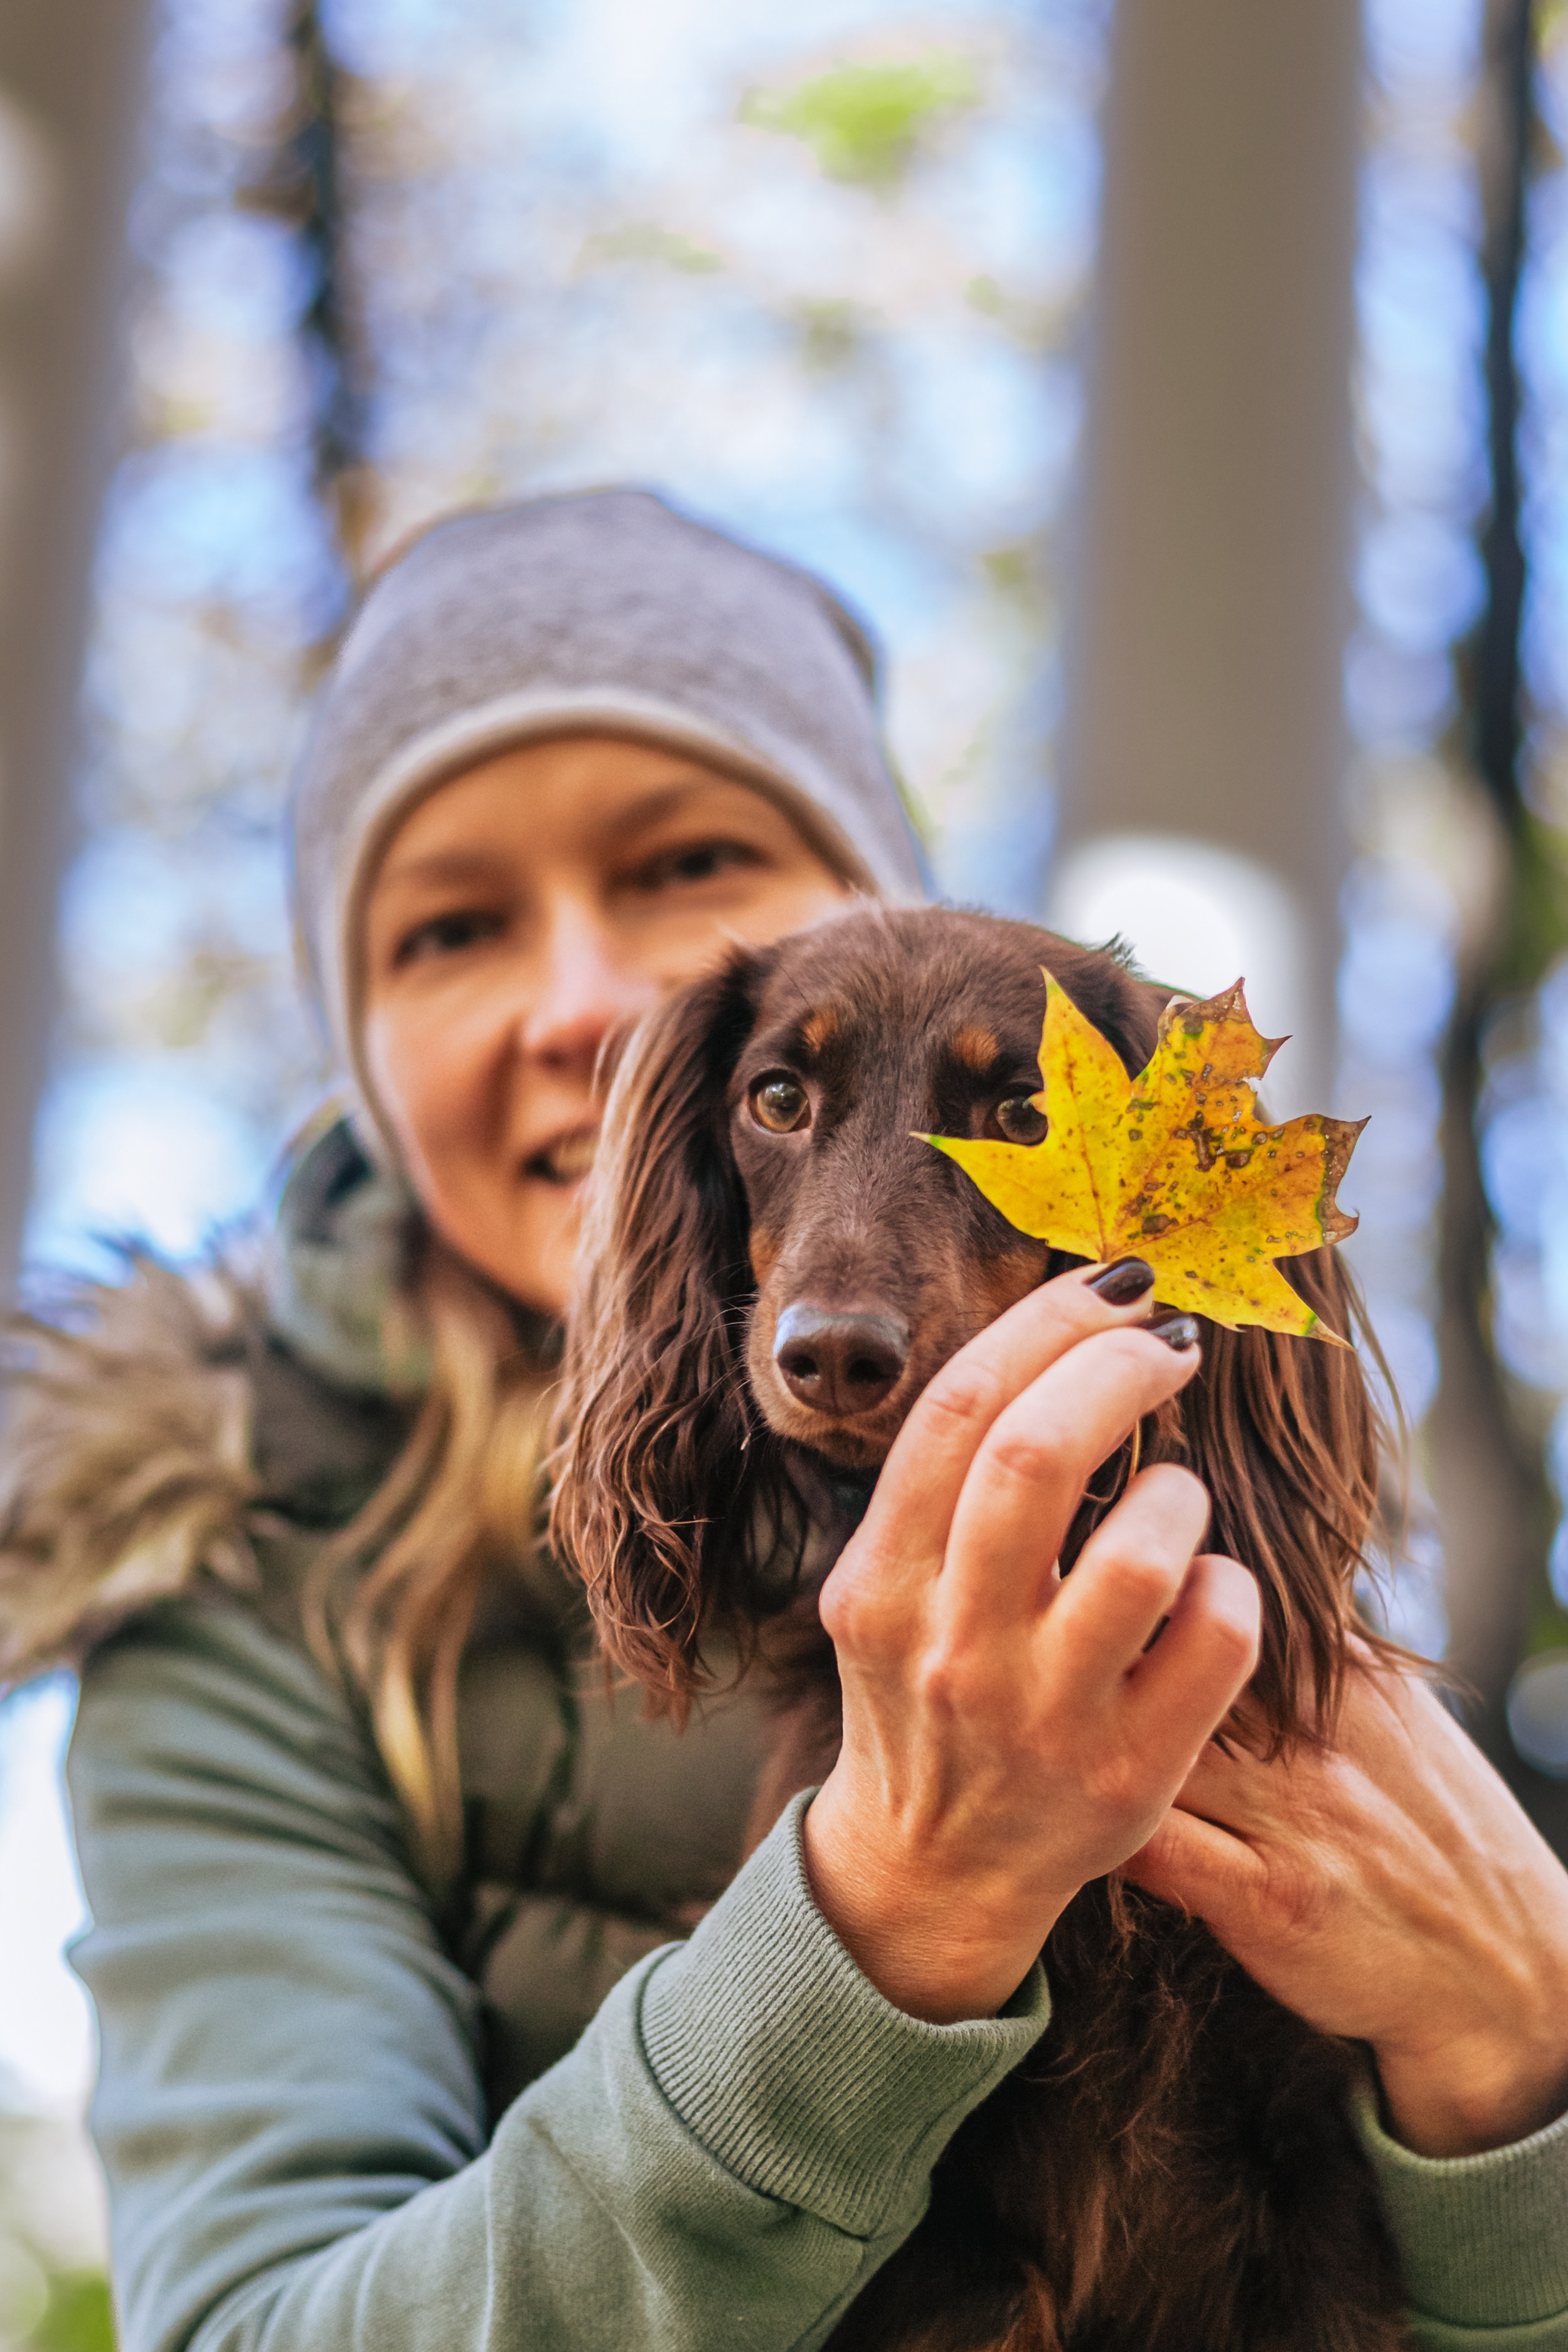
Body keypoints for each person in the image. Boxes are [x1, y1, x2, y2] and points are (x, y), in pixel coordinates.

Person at [1, 488, 1565, 2352]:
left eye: (681, 864)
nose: (584, 1002)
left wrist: (1522, 2068)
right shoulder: (234, 1597)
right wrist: (885, 1916)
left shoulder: (1285, 1664)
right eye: (449, 928)